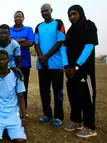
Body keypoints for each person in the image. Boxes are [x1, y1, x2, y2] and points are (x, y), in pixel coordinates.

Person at [61, 5, 98, 137]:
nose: (72, 17)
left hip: (84, 71)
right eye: (69, 15)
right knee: (73, 97)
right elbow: (63, 48)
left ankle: (90, 128)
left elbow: (89, 47)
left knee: (87, 98)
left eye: (74, 14)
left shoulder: (89, 26)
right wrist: (66, 67)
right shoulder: (70, 31)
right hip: (70, 71)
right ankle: (77, 122)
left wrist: (77, 66)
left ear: (81, 13)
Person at [34, 3, 65, 127]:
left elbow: (60, 41)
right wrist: (42, 58)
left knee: (58, 92)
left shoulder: (58, 23)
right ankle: (47, 115)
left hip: (56, 65)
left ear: (51, 10)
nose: (45, 13)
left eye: (46, 10)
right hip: (42, 65)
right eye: (42, 11)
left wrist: (46, 57)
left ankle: (59, 117)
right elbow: (36, 44)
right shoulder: (38, 27)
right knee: (44, 92)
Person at [0, 50, 27, 143]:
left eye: (4, 59)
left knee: (20, 140)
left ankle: (8, 129)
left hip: (13, 112)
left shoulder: (16, 76)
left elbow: (21, 97)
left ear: (8, 60)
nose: (1, 61)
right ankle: (3, 130)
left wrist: (24, 118)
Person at [10, 10, 34, 110]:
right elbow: (7, 42)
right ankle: (12, 109)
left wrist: (14, 42)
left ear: (23, 18)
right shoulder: (9, 29)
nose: (17, 18)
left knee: (23, 86)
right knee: (10, 87)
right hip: (11, 63)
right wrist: (21, 40)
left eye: (19, 17)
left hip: (24, 63)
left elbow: (30, 43)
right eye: (16, 17)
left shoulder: (28, 29)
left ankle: (23, 110)